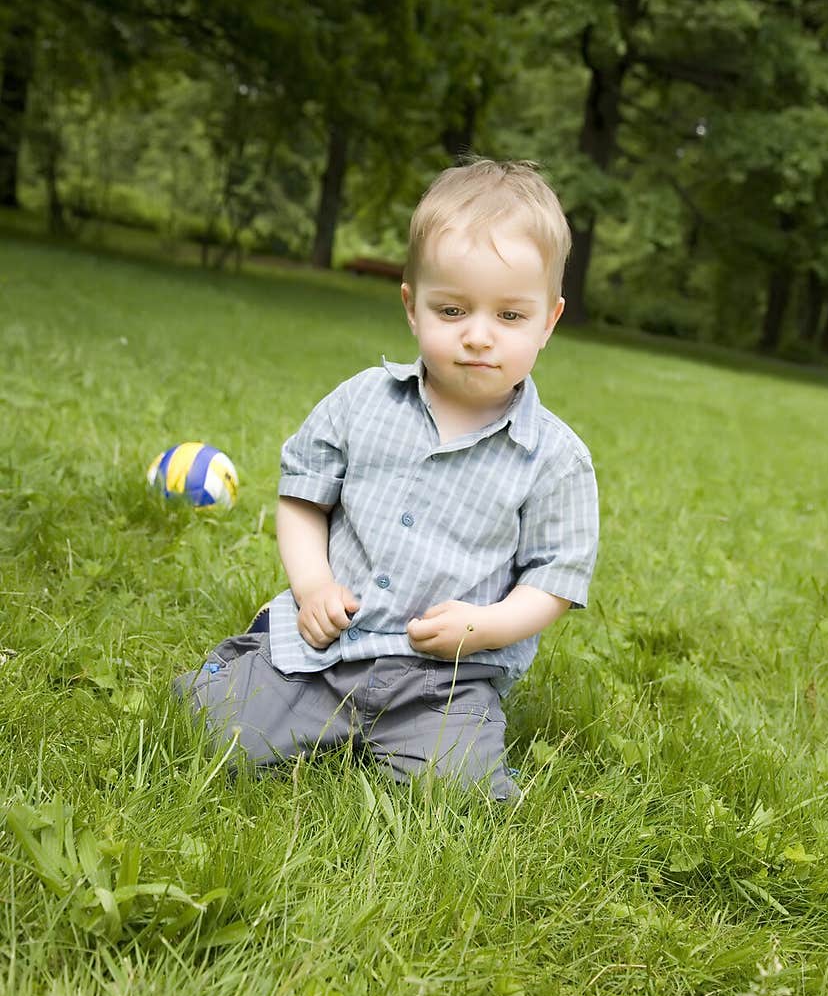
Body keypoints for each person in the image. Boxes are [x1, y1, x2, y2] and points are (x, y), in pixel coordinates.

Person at [174, 158, 599, 801]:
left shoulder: (555, 459)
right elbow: (301, 498)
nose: (479, 337)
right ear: (412, 307)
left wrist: (486, 628)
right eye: (452, 310)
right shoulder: (361, 402)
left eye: (510, 317)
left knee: (462, 800)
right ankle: (257, 661)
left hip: (444, 681)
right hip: (326, 649)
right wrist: (312, 584)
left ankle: (423, 745)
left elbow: (554, 582)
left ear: (549, 320)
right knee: (209, 730)